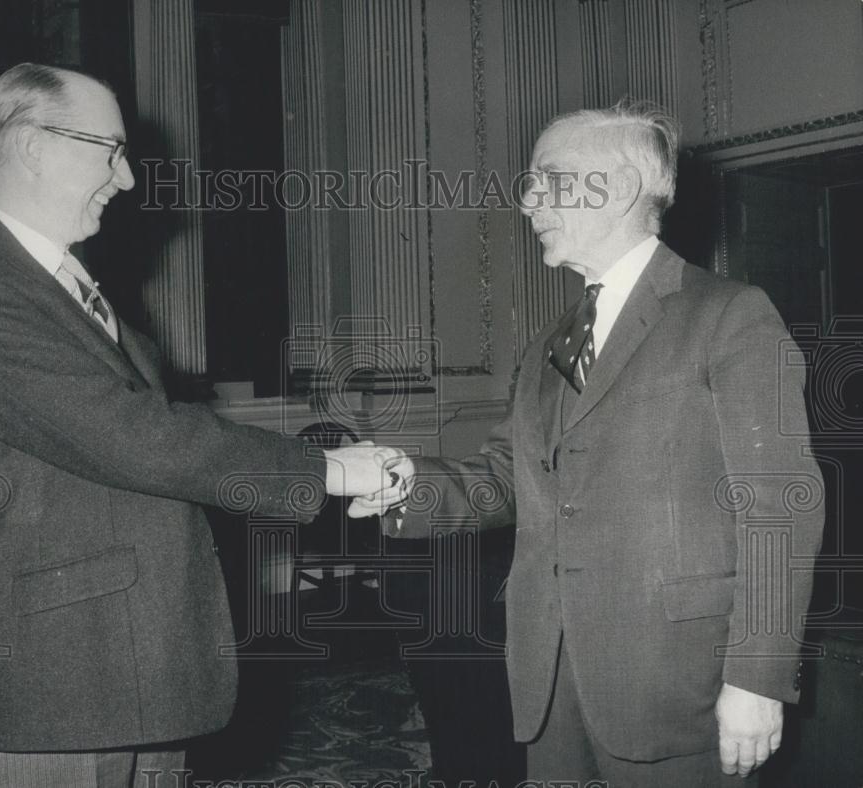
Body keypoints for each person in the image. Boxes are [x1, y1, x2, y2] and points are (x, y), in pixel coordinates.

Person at [0, 62, 399, 788]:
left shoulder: (47, 283)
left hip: (118, 665)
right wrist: (327, 469)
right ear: (35, 145)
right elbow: (133, 437)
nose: (128, 178)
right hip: (51, 683)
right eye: (109, 149)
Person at [352, 102, 824, 787]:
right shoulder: (549, 343)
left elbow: (780, 509)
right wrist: (403, 482)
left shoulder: (728, 315)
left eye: (550, 179)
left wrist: (757, 679)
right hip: (550, 676)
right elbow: (508, 478)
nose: (527, 201)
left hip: (677, 686)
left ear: (623, 187)